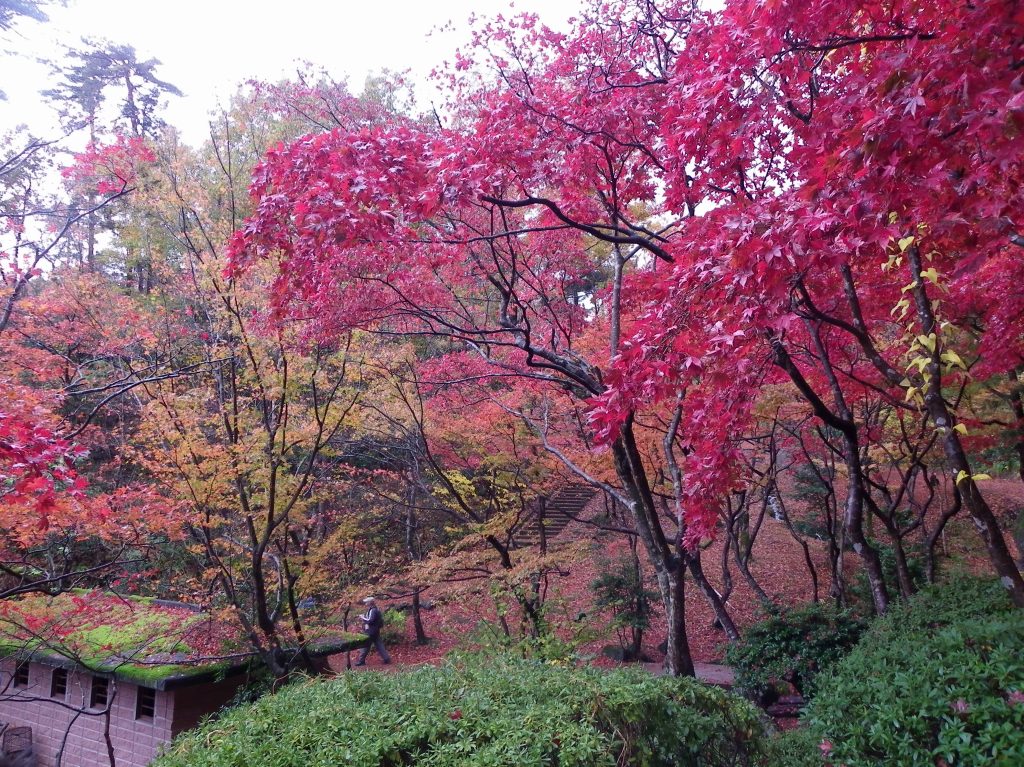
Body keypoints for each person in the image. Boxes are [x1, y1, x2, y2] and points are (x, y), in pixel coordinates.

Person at [354, 596, 391, 665]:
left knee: (365, 645)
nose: (365, 604)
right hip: (375, 631)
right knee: (379, 645)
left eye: (366, 602)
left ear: (370, 603)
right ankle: (386, 659)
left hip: (370, 632)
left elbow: (370, 620)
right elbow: (371, 619)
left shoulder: (373, 610)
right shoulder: (374, 609)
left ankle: (361, 661)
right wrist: (364, 617)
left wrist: (362, 617)